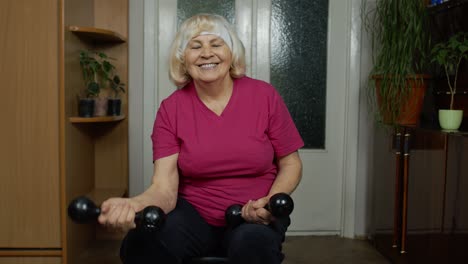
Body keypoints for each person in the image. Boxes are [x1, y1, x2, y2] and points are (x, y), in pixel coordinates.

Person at [98, 13, 304, 264]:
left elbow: (291, 163)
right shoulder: (171, 109)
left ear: (231, 54)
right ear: (183, 59)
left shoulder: (264, 96)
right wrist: (134, 204)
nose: (207, 53)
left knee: (252, 247)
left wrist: (268, 204)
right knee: (139, 244)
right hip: (194, 215)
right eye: (195, 46)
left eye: (216, 44)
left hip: (253, 213)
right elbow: (164, 188)